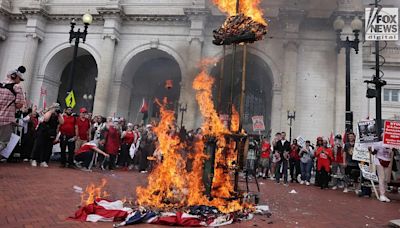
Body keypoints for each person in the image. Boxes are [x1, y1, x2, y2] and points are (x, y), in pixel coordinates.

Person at [0, 66, 25, 157]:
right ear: (14, 76)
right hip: (6, 119)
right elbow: (19, 104)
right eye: (19, 79)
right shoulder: (16, 87)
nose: (20, 81)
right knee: (3, 142)